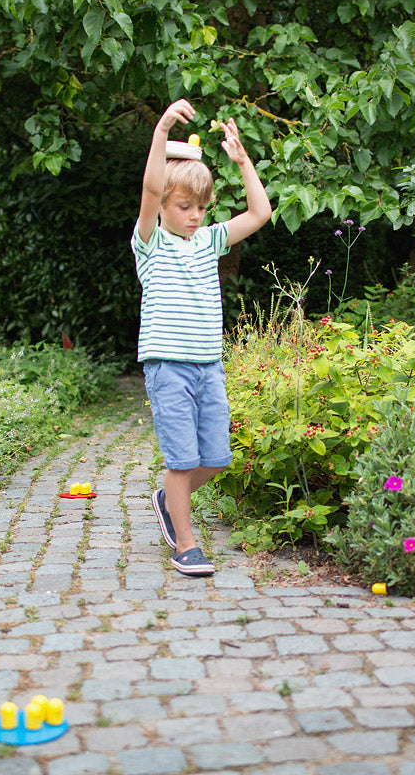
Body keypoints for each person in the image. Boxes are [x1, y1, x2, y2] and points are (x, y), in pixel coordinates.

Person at [132, 99, 272, 576]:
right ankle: (185, 544)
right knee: (181, 459)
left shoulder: (209, 240)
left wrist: (243, 161)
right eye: (183, 207)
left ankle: (170, 501)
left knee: (214, 459)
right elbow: (151, 189)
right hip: (168, 365)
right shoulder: (149, 241)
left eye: (200, 208)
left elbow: (259, 213)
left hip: (209, 365)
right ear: (166, 207)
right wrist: (162, 129)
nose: (194, 215)